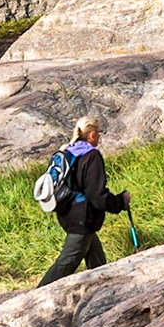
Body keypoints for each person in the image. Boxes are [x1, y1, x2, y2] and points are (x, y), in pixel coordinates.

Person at [37, 114, 131, 286]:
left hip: (67, 213)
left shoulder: (67, 152)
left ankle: (104, 287)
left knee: (96, 258)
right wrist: (120, 201)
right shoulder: (92, 156)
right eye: (99, 132)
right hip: (82, 218)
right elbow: (98, 197)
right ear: (92, 135)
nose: (100, 136)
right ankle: (35, 297)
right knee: (67, 262)